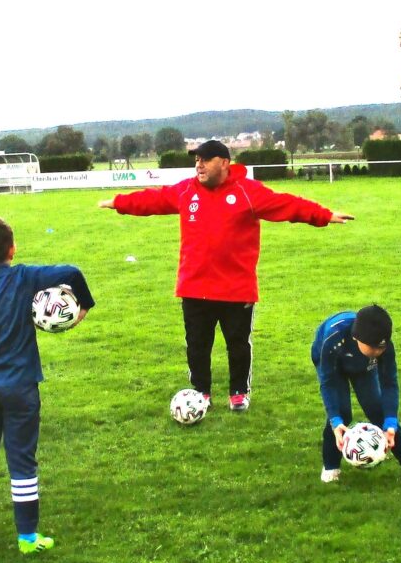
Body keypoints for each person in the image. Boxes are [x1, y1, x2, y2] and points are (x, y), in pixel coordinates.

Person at [99, 140, 353, 412]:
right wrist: (119, 202)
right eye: (196, 160)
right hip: (194, 286)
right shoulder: (187, 190)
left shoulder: (247, 191)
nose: (199, 165)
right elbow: (154, 199)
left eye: (205, 160)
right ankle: (200, 393)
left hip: (236, 287)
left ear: (224, 163)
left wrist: (324, 215)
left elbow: (286, 205)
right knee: (197, 345)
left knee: (238, 345)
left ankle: (238, 392)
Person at [0, 216, 95, 558]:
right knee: (22, 461)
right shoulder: (24, 277)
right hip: (21, 387)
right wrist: (83, 307)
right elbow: (71, 272)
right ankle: (28, 536)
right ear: (13, 249)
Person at [312, 305, 401, 485]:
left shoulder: (383, 346)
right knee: (341, 413)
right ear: (356, 338)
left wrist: (391, 422)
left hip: (362, 368)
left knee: (377, 410)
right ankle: (331, 465)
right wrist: (335, 420)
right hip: (331, 362)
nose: (378, 353)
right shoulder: (333, 338)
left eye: (381, 348)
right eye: (373, 348)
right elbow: (328, 382)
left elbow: (389, 383)